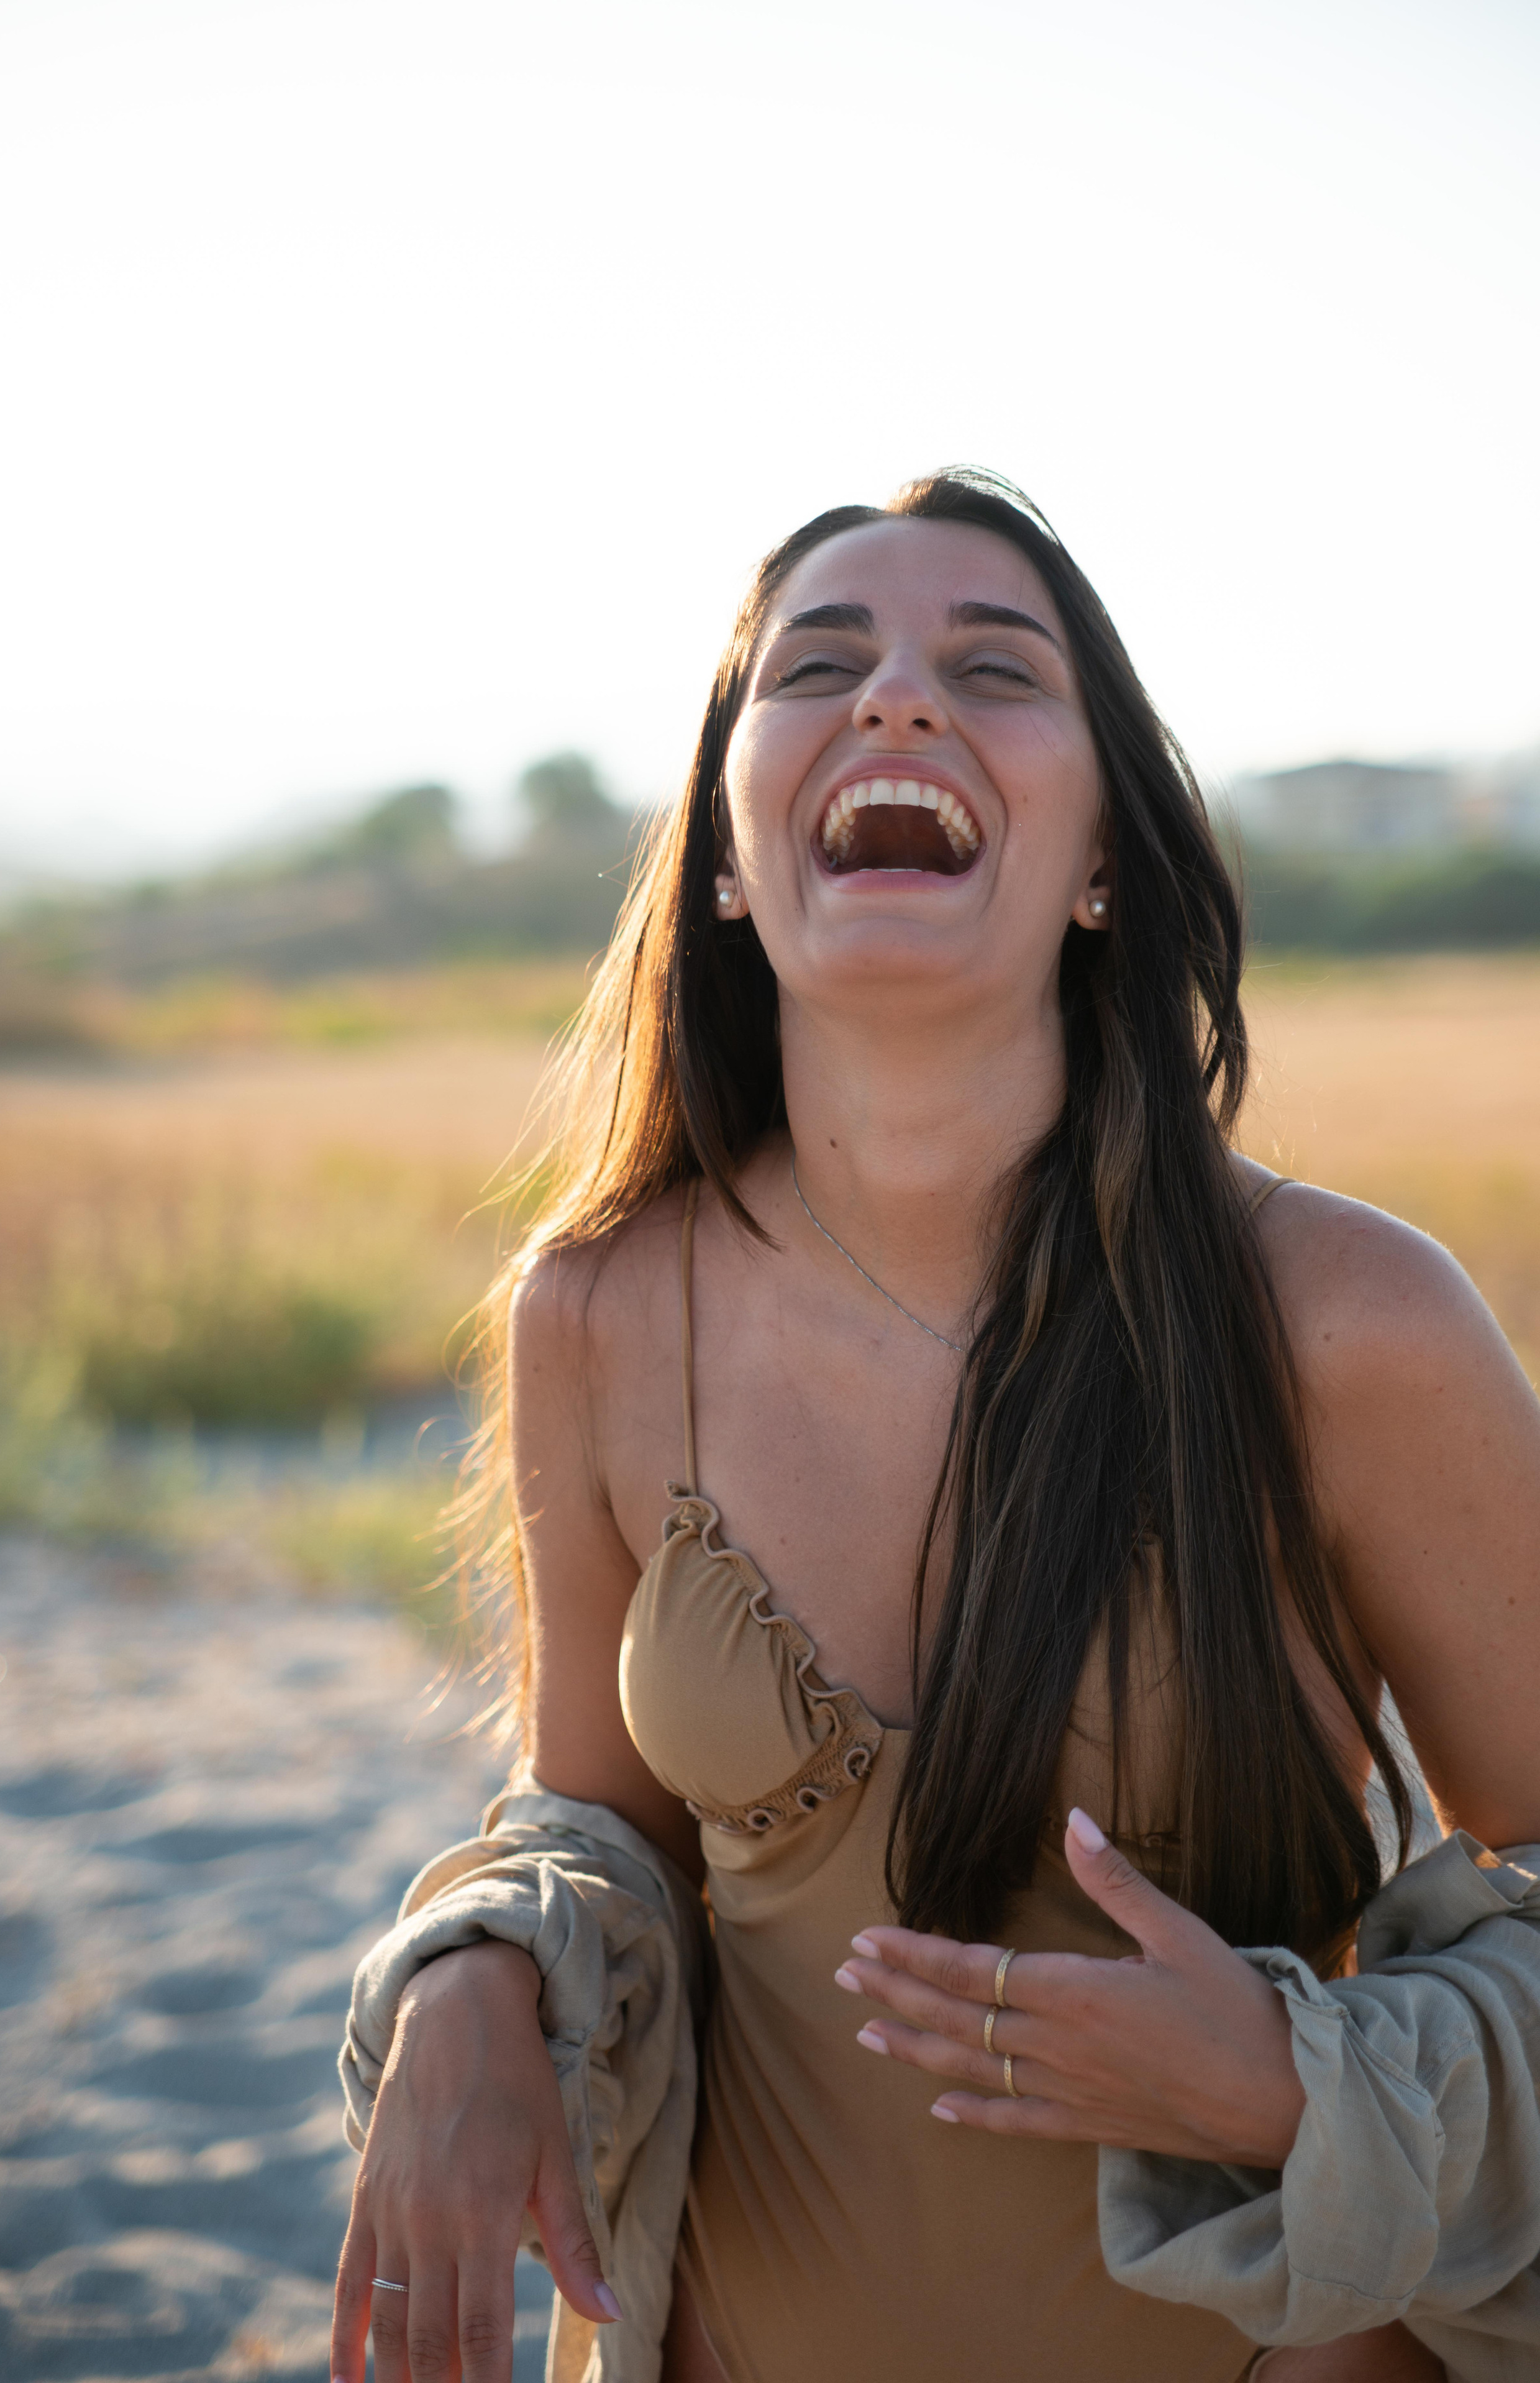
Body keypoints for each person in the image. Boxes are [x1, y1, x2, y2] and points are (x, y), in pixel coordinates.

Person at [330, 471, 1540, 2383]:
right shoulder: (599, 1313)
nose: (898, 697)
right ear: (731, 852)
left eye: (996, 665)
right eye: (821, 662)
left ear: (1100, 862)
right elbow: (596, 1830)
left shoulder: (1343, 1320)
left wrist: (1303, 2076)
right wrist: (478, 1966)